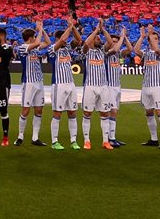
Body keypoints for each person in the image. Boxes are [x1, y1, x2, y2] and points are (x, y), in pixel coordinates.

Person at [48, 17, 82, 150]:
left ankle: (73, 140)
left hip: (70, 84)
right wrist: (69, 27)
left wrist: (73, 28)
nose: (66, 39)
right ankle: (54, 141)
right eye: (63, 37)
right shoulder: (53, 49)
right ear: (57, 38)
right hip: (59, 84)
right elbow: (63, 39)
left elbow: (79, 40)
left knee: (72, 112)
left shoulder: (67, 49)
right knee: (57, 113)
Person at [14, 20, 50, 146]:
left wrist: (42, 30)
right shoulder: (22, 48)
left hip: (39, 82)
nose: (36, 38)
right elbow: (36, 43)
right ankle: (20, 136)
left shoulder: (34, 48)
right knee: (25, 110)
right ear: (30, 38)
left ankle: (35, 138)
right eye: (34, 36)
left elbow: (48, 42)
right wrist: (39, 29)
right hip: (28, 82)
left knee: (39, 110)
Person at [134, 26, 160, 149]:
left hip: (157, 86)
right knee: (148, 112)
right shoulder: (146, 53)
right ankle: (154, 139)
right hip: (146, 86)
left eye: (155, 39)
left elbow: (158, 51)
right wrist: (142, 37)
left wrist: (151, 35)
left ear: (158, 41)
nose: (153, 41)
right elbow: (136, 49)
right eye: (151, 39)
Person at [79, 21, 109, 150]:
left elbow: (111, 43)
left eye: (99, 38)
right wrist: (96, 30)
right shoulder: (86, 52)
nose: (99, 40)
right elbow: (86, 44)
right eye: (97, 38)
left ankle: (105, 141)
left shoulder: (102, 51)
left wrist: (102, 30)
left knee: (104, 113)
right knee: (87, 113)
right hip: (90, 86)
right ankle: (87, 140)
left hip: (103, 86)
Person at [102, 24, 131, 147]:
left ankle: (112, 138)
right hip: (109, 87)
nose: (114, 44)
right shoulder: (107, 53)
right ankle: (110, 138)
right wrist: (121, 37)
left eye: (116, 41)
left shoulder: (119, 54)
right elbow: (114, 49)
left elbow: (130, 49)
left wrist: (124, 38)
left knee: (115, 112)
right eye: (112, 42)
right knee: (111, 111)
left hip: (117, 86)